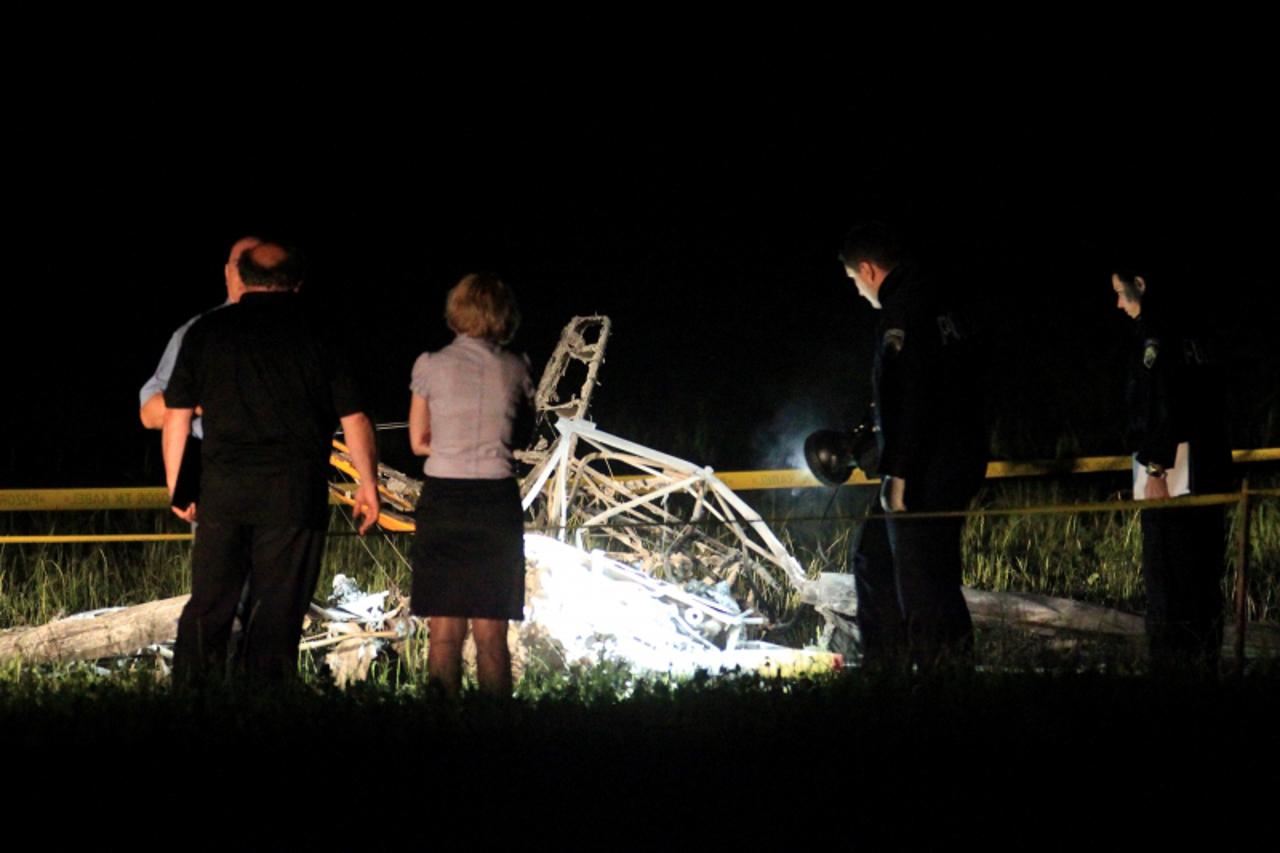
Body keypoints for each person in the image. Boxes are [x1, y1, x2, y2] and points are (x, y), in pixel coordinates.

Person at [163, 241, 380, 683]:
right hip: (293, 495)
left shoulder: (207, 332)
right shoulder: (321, 331)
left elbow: (176, 418)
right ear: (297, 282)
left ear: (240, 277)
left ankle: (191, 703)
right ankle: (266, 708)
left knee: (209, 606)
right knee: (278, 613)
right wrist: (368, 484)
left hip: (223, 492)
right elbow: (354, 417)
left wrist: (178, 488)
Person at [839, 223, 987, 669]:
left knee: (924, 584)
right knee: (876, 561)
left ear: (867, 270)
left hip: (924, 469)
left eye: (853, 281)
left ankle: (938, 681)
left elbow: (914, 395)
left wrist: (898, 473)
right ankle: (889, 667)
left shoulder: (903, 312)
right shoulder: (941, 300)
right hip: (955, 458)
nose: (857, 292)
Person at [408, 272, 533, 698]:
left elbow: (417, 441)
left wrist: (452, 444)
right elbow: (521, 437)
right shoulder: (517, 367)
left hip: (444, 501)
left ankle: (441, 731)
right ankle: (496, 736)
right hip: (495, 504)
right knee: (491, 638)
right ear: (504, 315)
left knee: (443, 634)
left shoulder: (429, 365)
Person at [1112, 266, 1230, 669]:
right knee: (1202, 575)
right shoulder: (1199, 329)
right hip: (1210, 466)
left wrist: (1157, 470)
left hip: (1175, 472)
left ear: (1140, 285)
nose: (1119, 304)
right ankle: (1205, 662)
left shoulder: (1157, 335)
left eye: (1122, 293)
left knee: (1169, 575)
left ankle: (1171, 669)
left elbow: (1165, 401)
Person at [139, 236, 261, 432]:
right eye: (241, 264)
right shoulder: (198, 332)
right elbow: (149, 413)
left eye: (257, 266)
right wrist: (206, 400)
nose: (248, 274)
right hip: (213, 456)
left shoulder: (296, 333)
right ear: (226, 272)